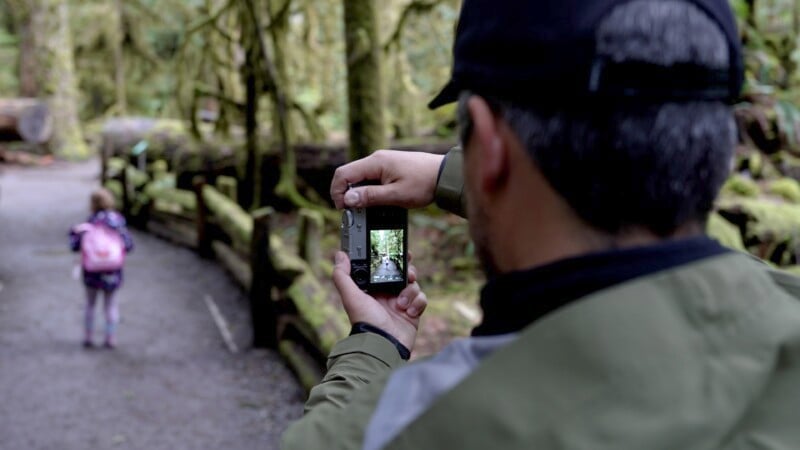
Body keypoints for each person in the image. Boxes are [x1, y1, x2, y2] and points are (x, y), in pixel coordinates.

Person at [283, 0, 800, 448]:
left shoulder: (401, 431)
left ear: (487, 144)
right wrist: (455, 175)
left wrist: (376, 341)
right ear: (722, 143)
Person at [70, 187, 134, 349]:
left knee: (90, 304)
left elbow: (75, 245)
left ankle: (88, 336)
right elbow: (128, 245)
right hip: (112, 270)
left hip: (91, 269)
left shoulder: (89, 223)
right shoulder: (117, 222)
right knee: (111, 304)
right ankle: (110, 337)